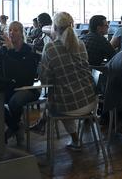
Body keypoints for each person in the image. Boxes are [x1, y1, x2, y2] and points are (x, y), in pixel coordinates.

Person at [38, 12, 97, 150]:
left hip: (71, 106)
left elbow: (45, 79)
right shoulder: (81, 44)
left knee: (57, 95)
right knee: (64, 92)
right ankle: (43, 120)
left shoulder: (50, 47)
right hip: (91, 102)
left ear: (55, 27)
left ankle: (73, 138)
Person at [0, 21, 40, 145]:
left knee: (14, 101)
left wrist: (11, 51)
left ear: (21, 33)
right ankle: (16, 127)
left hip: (27, 88)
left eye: (15, 30)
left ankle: (13, 129)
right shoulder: (4, 49)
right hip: (11, 87)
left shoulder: (28, 50)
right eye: (10, 30)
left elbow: (22, 76)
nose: (11, 33)